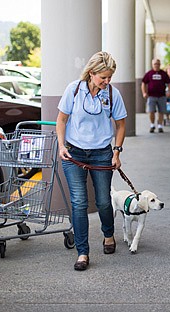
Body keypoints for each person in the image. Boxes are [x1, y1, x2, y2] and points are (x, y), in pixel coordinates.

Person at [56, 51, 127, 271]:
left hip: (102, 154)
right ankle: (83, 252)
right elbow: (62, 119)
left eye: (109, 77)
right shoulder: (74, 90)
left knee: (104, 201)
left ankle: (108, 233)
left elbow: (121, 124)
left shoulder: (112, 94)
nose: (107, 81)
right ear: (91, 73)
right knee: (79, 202)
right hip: (74, 153)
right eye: (103, 77)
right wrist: (61, 146)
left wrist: (116, 152)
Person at [141, 59, 170, 133]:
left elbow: (169, 83)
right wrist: (144, 92)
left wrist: (169, 91)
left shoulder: (163, 74)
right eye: (155, 64)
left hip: (162, 96)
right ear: (152, 65)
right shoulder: (149, 73)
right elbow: (143, 83)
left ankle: (160, 126)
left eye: (158, 64)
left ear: (160, 64)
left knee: (161, 111)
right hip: (151, 96)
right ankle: (152, 125)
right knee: (151, 111)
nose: (156, 65)